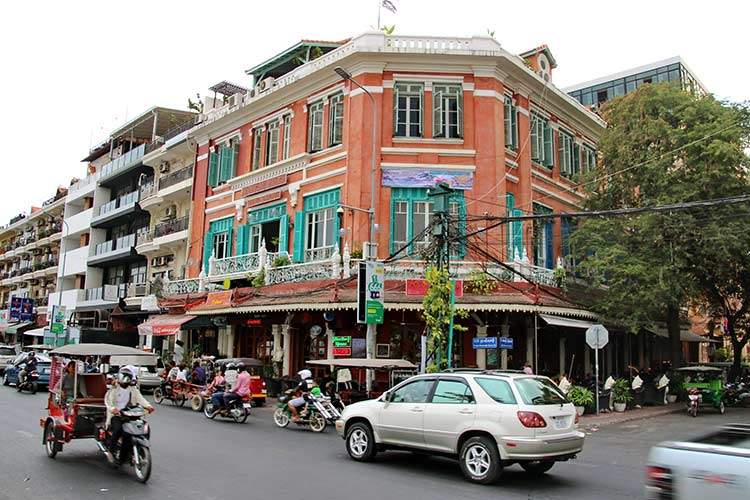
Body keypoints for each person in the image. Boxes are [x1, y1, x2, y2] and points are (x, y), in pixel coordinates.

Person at [104, 366, 154, 464]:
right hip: (117, 415)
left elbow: (140, 399)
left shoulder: (133, 389)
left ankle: (138, 450)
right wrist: (113, 409)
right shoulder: (114, 389)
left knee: (145, 428)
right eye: (123, 377)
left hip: (131, 414)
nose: (125, 380)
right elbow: (108, 401)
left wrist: (148, 406)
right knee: (119, 430)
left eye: (127, 378)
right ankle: (111, 451)